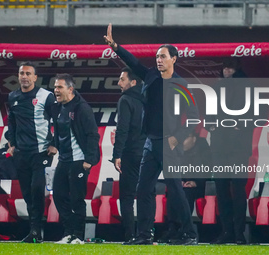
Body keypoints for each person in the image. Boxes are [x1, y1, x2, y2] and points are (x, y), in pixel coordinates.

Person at [104, 23, 198, 245]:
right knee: (143, 189)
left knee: (175, 189)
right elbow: (133, 62)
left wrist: (178, 136)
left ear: (174, 59)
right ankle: (145, 235)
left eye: (163, 56)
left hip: (169, 144)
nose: (158, 60)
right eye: (157, 56)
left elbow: (194, 115)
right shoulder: (151, 76)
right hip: (150, 143)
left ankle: (189, 234)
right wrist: (115, 46)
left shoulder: (181, 84)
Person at [7, 61, 57, 243]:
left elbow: (59, 121)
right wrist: (12, 144)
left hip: (41, 153)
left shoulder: (46, 96)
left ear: (35, 77)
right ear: (18, 76)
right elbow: (11, 122)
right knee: (28, 193)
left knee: (37, 189)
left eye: (28, 74)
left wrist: (54, 143)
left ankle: (37, 230)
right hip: (21, 153)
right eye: (22, 73)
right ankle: (34, 232)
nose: (25, 77)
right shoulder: (13, 97)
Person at [206, 58, 254, 244]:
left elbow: (259, 114)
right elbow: (209, 114)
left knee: (238, 188)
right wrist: (211, 127)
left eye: (230, 67)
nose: (226, 70)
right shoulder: (216, 88)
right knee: (222, 189)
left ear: (237, 68)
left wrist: (240, 126)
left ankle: (239, 233)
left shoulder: (248, 87)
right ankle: (226, 232)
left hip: (239, 146)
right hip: (219, 145)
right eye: (224, 67)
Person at [52, 73, 100, 244]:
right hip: (64, 160)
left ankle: (78, 235)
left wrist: (89, 160)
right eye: (55, 87)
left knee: (76, 199)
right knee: (58, 195)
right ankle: (68, 232)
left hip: (79, 160)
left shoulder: (81, 108)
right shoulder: (57, 107)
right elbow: (59, 132)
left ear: (70, 89)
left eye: (60, 87)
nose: (56, 90)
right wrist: (54, 145)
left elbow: (93, 135)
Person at [111, 67, 146, 244]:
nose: (119, 83)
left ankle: (130, 235)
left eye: (122, 79)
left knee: (126, 196)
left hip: (131, 153)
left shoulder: (126, 99)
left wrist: (117, 154)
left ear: (133, 82)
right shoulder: (148, 98)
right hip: (147, 153)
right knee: (146, 193)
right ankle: (147, 234)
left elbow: (122, 129)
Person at [158, 130, 212, 243]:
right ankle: (173, 228)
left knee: (186, 194)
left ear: (194, 138)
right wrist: (180, 181)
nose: (182, 142)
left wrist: (195, 182)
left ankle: (184, 230)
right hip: (182, 184)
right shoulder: (178, 151)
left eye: (186, 138)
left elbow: (207, 170)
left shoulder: (203, 150)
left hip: (200, 186)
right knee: (173, 193)